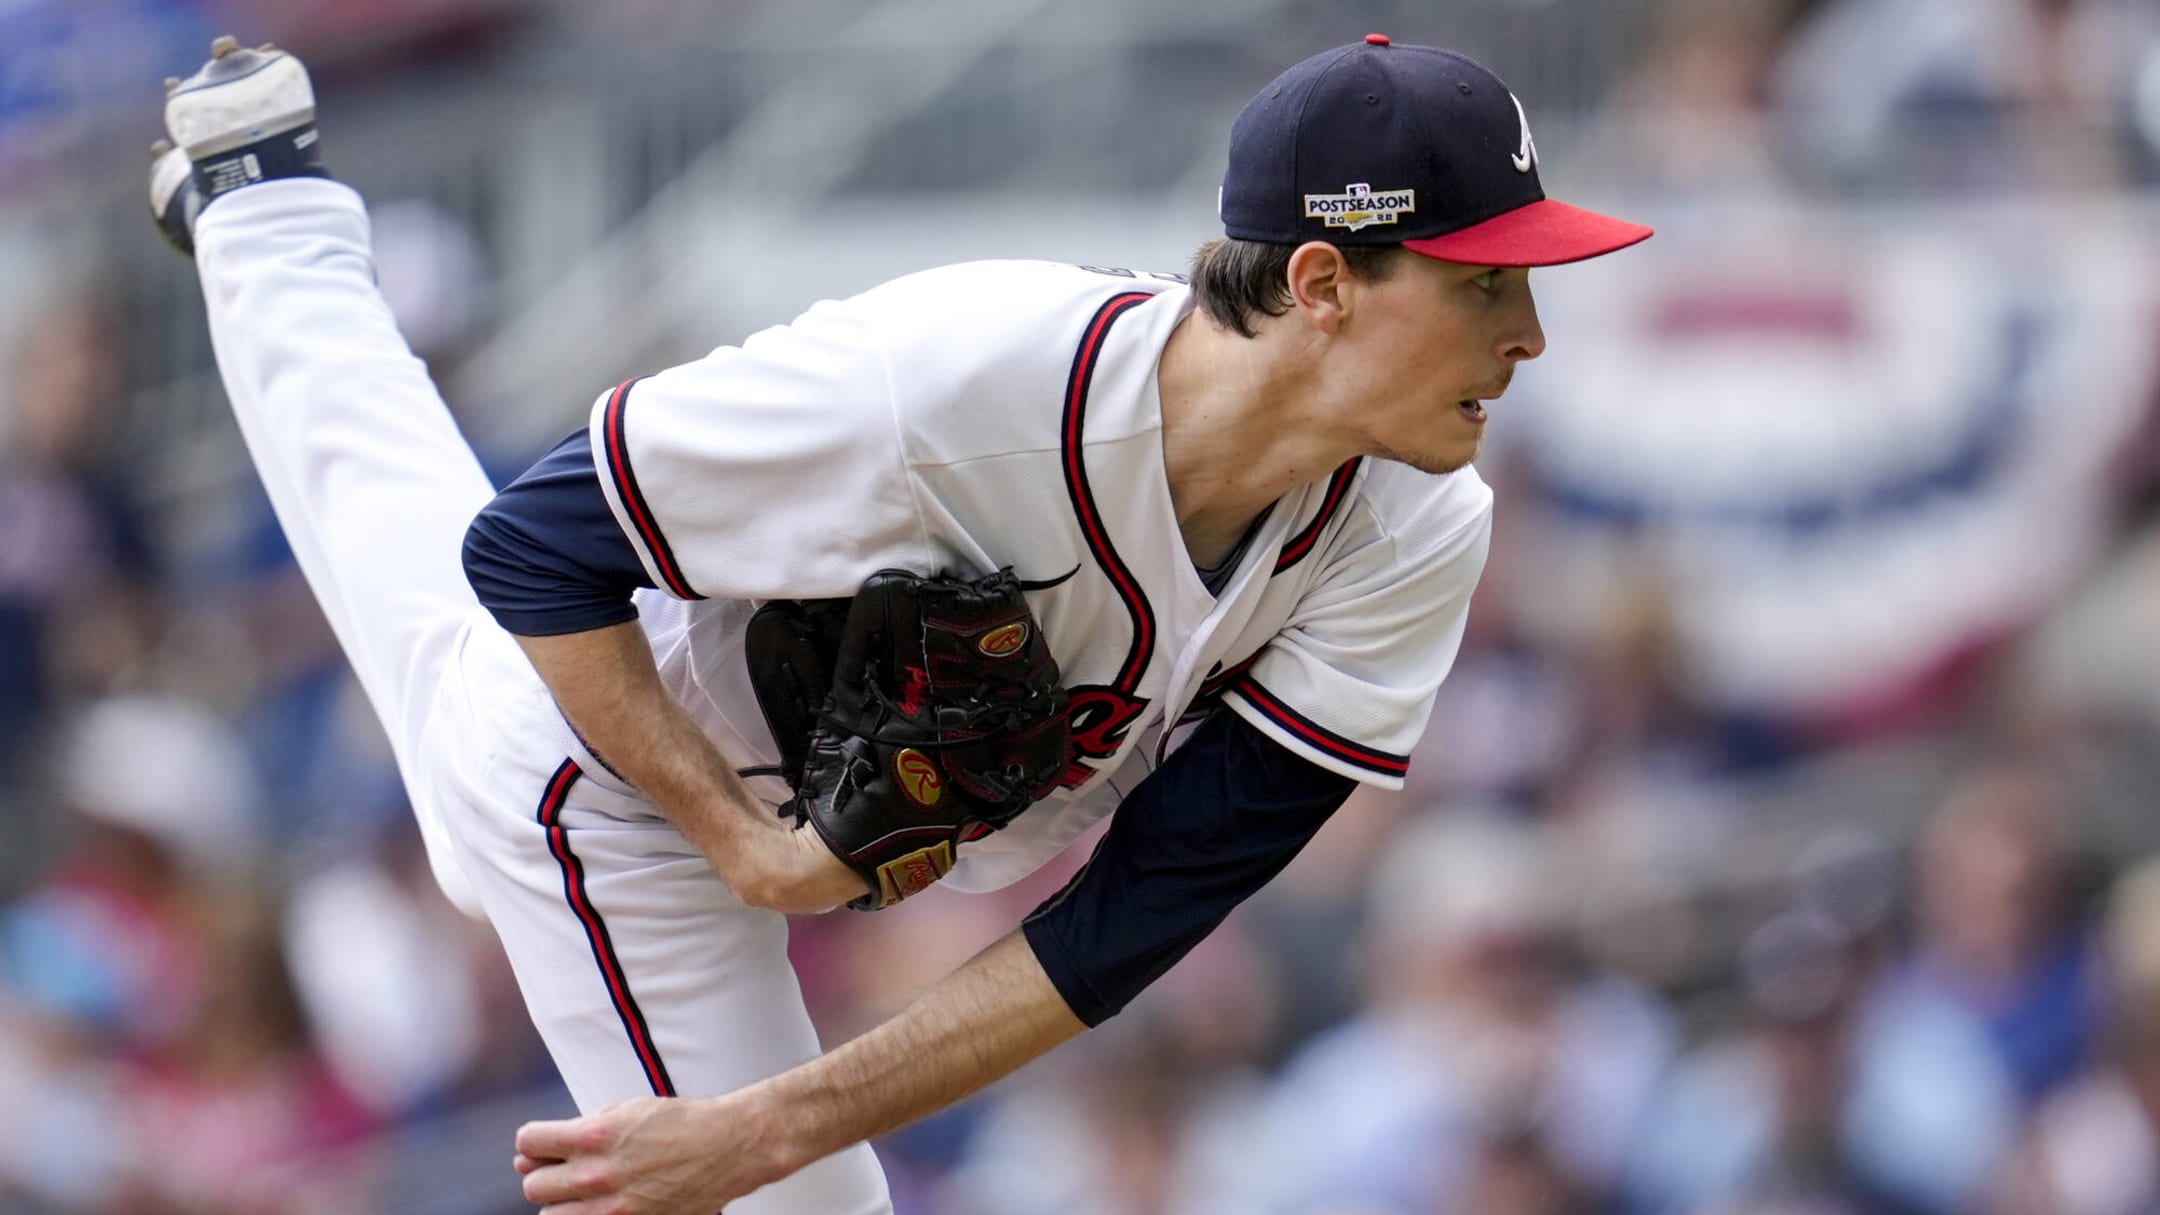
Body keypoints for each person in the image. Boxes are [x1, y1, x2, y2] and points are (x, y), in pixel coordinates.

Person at [148, 30, 1650, 1214]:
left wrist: (769, 1111)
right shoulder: (956, 377)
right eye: (1485, 286)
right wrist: (745, 894)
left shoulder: (1415, 525)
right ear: (1322, 280)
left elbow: (1133, 919)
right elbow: (540, 550)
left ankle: (261, 209)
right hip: (612, 795)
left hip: (645, 758)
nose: (1527, 335)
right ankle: (268, 223)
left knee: (395, 542)